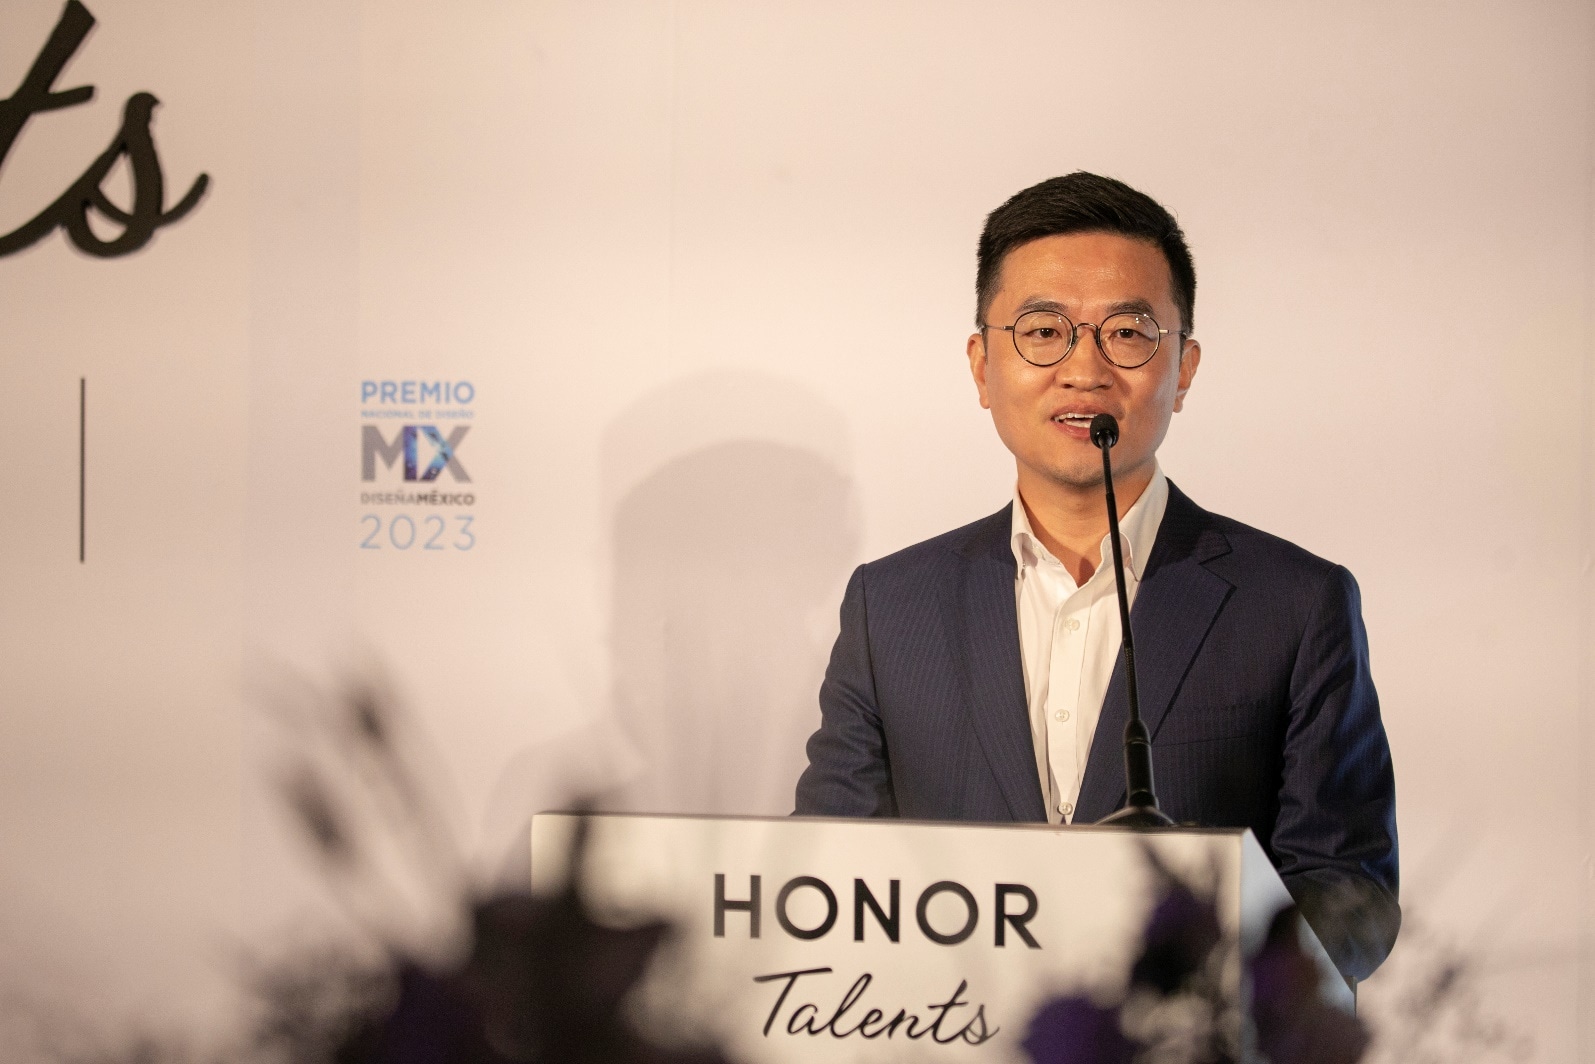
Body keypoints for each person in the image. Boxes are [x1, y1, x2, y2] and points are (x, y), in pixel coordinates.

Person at [793, 172, 1399, 982]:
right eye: (1043, 331)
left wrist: (1198, 998)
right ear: (981, 366)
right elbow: (827, 873)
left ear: (1183, 368)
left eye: (1126, 333)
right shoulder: (891, 608)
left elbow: (1350, 894)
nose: (1084, 369)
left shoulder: (1292, 604)